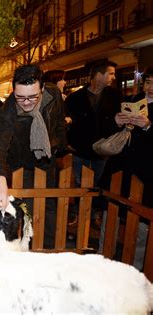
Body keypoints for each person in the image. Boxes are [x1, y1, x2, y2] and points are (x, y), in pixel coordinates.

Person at [0, 64, 67, 248]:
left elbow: (59, 122)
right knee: (29, 210)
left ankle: (49, 250)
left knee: (49, 207)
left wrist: (58, 146)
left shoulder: (53, 94)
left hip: (47, 159)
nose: (27, 102)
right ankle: (29, 249)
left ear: (43, 88)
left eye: (33, 97)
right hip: (22, 164)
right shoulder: (9, 109)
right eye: (20, 97)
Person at [100, 65, 153, 269]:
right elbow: (105, 129)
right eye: (148, 82)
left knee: (141, 223)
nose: (150, 88)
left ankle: (136, 266)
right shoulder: (131, 101)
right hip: (120, 170)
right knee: (111, 214)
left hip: (146, 174)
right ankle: (104, 261)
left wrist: (148, 126)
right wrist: (115, 121)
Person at [65, 60, 122, 188]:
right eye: (111, 73)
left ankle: (97, 207)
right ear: (99, 75)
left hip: (104, 150)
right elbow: (66, 121)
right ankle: (79, 207)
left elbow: (119, 119)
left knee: (100, 185)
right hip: (80, 150)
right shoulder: (75, 97)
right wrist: (68, 143)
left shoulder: (115, 96)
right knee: (80, 185)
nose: (114, 77)